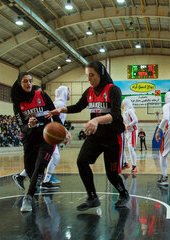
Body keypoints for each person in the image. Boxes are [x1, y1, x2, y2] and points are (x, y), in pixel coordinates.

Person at [47, 61, 130, 211]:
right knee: (81, 161)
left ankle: (124, 194)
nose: (89, 79)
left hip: (113, 137)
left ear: (101, 74)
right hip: (96, 135)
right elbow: (78, 107)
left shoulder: (113, 90)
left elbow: (115, 114)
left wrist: (96, 120)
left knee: (112, 175)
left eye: (92, 75)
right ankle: (92, 197)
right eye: (87, 76)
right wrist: (60, 110)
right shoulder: (89, 92)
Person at [11, 72, 71, 212]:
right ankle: (31, 190)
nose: (29, 84)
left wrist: (64, 131)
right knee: (31, 169)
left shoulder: (42, 96)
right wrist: (29, 125)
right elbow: (22, 127)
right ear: (20, 83)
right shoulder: (18, 103)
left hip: (46, 136)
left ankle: (28, 197)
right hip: (30, 138)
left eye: (30, 81)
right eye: (25, 81)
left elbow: (54, 114)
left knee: (40, 166)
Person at [121, 98, 138, 173]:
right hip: (127, 132)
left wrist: (128, 125)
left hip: (133, 131)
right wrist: (124, 128)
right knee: (122, 147)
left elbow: (136, 120)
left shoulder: (130, 110)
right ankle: (126, 163)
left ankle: (134, 166)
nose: (121, 104)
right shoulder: (124, 112)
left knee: (130, 148)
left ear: (125, 103)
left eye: (122, 102)